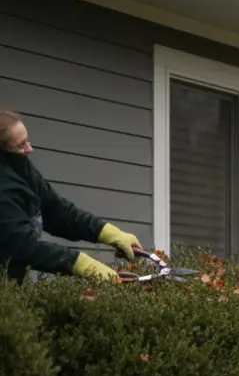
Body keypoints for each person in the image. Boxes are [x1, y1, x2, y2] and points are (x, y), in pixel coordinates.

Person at [0, 108, 143, 284]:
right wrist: (83, 265)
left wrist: (109, 233)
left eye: (27, 141)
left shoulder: (21, 169)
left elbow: (57, 212)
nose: (30, 149)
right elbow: (24, 246)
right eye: (21, 145)